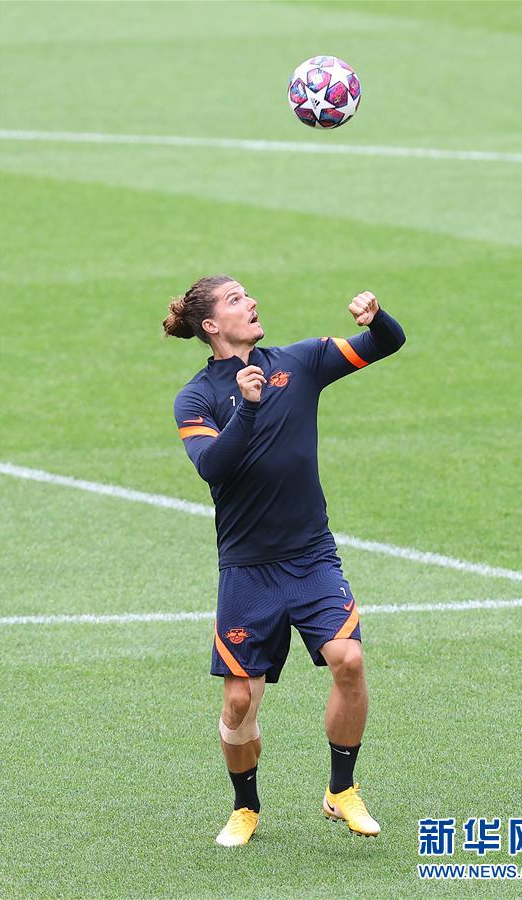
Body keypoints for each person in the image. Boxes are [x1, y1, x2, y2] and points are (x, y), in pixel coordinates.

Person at [163, 275, 406, 847]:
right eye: (235, 299)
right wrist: (247, 408)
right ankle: (245, 807)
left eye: (246, 294)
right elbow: (213, 467)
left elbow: (386, 344)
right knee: (239, 700)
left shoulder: (301, 362)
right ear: (211, 326)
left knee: (348, 660)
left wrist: (376, 318)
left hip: (310, 555)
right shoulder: (195, 398)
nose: (250, 302)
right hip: (247, 569)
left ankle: (341, 790)